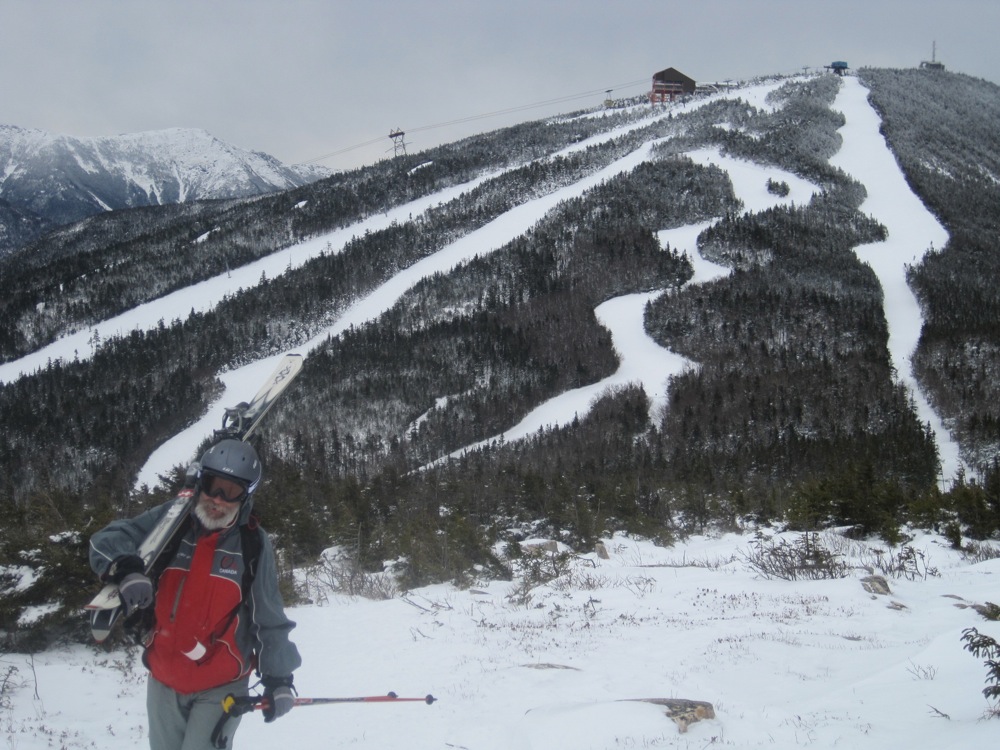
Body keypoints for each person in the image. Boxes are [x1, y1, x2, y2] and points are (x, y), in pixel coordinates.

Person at [90, 439, 301, 750]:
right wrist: (126, 569)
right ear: (200, 483)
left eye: (231, 492)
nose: (217, 499)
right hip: (164, 678)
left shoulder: (251, 544)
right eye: (213, 486)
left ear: (246, 496)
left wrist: (279, 678)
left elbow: (268, 615)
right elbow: (106, 539)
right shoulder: (173, 522)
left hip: (220, 685)